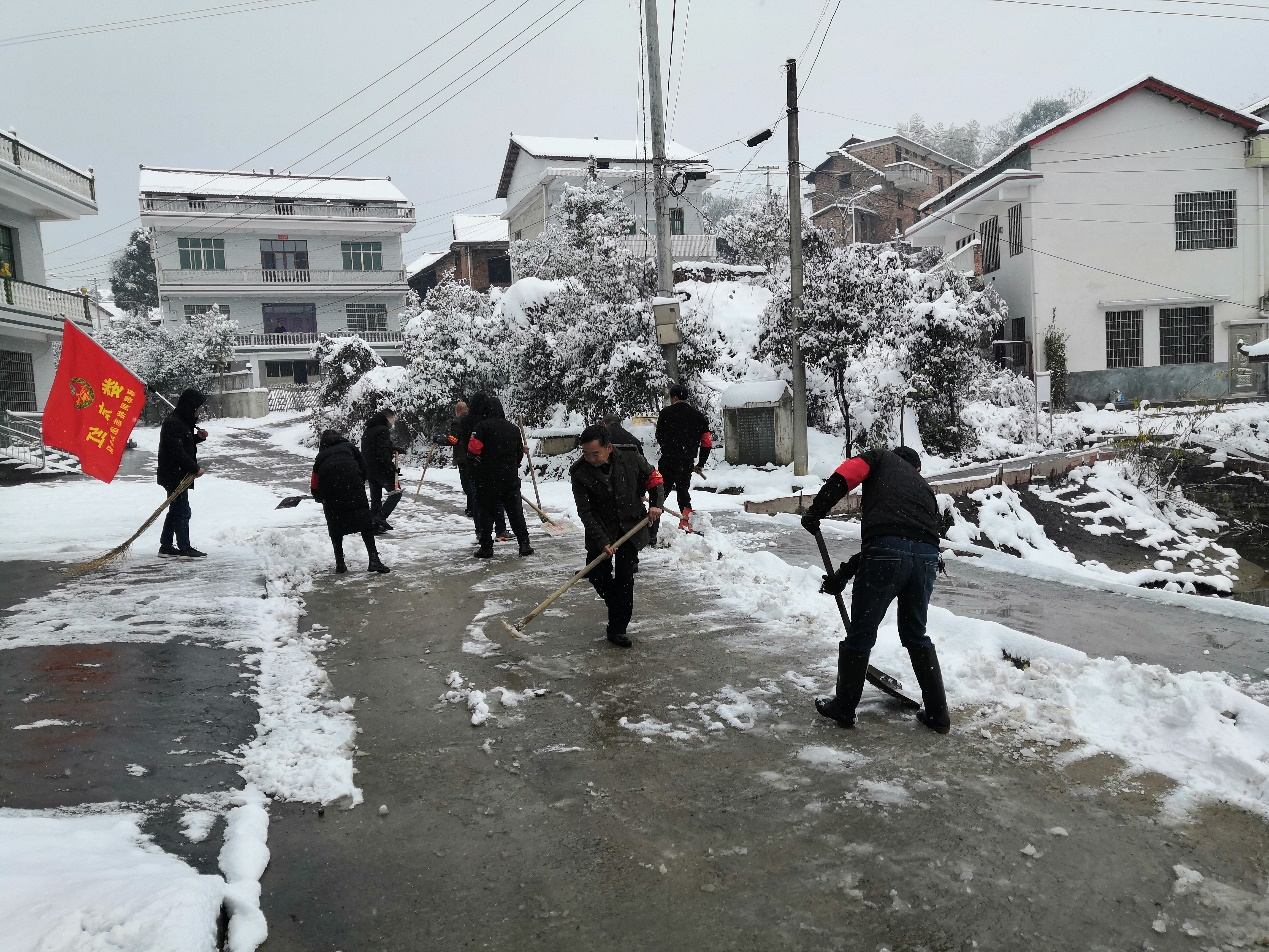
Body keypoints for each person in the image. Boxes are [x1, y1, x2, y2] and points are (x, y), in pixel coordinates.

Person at [799, 445, 949, 734]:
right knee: (916, 634)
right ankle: (938, 714)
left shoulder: (880, 458)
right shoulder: (924, 488)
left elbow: (846, 476)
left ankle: (844, 706)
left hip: (886, 552)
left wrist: (816, 510)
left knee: (862, 633)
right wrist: (843, 574)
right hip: (928, 559)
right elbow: (904, 542)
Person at [571, 424, 665, 648]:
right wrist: (603, 541)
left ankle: (617, 629)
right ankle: (618, 605)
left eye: (596, 453)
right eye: (586, 453)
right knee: (597, 574)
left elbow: (655, 479)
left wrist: (656, 505)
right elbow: (585, 512)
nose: (591, 458)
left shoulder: (631, 458)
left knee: (624, 579)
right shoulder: (580, 473)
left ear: (609, 448)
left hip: (630, 528)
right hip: (600, 529)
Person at [311, 430, 390, 574]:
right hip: (353, 488)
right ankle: (374, 560)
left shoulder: (320, 457)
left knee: (335, 526)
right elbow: (364, 467)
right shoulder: (349, 447)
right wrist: (357, 482)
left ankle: (340, 563)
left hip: (331, 493)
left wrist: (319, 497)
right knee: (365, 524)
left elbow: (315, 484)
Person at [466, 397, 533, 559]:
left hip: (487, 479)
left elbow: (473, 450)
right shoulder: (513, 428)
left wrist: (478, 467)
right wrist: (510, 467)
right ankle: (524, 544)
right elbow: (519, 453)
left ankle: (487, 547)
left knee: (486, 513)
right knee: (515, 512)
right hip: (509, 478)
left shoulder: (481, 426)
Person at [157, 388, 209, 558]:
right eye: (198, 408)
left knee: (176, 509)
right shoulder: (173, 423)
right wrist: (195, 468)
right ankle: (184, 547)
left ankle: (166, 546)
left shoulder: (182, 422)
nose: (199, 411)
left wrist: (198, 438)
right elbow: (177, 452)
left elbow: (185, 442)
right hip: (174, 474)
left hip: (178, 474)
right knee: (182, 511)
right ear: (190, 406)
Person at [654, 384, 712, 532]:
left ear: (675, 397)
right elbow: (707, 442)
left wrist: (669, 448)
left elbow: (659, 436)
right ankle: (688, 526)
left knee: (661, 494)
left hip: (667, 461)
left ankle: (652, 530)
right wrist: (700, 462)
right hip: (686, 462)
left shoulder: (666, 413)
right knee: (683, 493)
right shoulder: (698, 416)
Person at [455, 392, 507, 541]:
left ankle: (481, 531)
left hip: (471, 464)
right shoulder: (485, 422)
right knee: (497, 499)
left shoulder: (464, 421)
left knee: (477, 500)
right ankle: (500, 529)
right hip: (489, 466)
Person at [361, 408, 403, 534]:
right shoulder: (383, 430)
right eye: (392, 419)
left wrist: (393, 448)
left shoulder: (369, 429)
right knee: (396, 493)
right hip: (381, 470)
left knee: (376, 498)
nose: (392, 422)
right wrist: (392, 469)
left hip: (370, 469)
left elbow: (373, 447)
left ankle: (373, 527)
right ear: (387, 417)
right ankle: (380, 517)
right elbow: (382, 452)